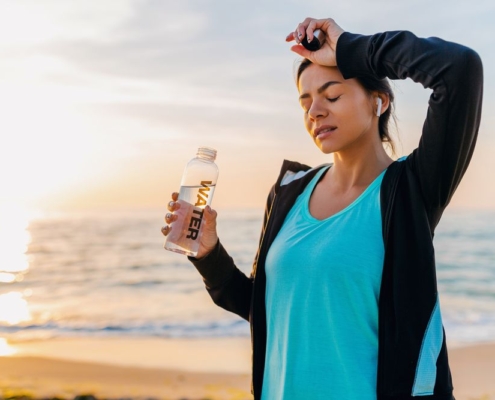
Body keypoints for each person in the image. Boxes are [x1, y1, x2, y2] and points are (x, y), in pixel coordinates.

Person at [162, 17, 483, 400]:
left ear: (379, 101)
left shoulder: (411, 190)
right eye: (306, 101)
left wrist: (350, 47)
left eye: (331, 96)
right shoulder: (288, 193)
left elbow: (459, 69)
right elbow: (270, 312)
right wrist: (208, 253)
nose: (315, 111)